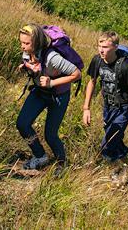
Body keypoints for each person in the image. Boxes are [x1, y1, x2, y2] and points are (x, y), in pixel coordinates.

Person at [82, 31, 128, 185]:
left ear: (116, 47)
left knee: (107, 145)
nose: (101, 50)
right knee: (114, 140)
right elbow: (92, 82)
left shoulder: (125, 66)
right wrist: (86, 108)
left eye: (105, 47)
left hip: (124, 107)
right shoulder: (97, 60)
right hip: (108, 106)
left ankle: (123, 172)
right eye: (99, 46)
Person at [16, 24, 81, 172]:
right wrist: (26, 67)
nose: (23, 47)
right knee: (22, 124)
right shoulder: (28, 53)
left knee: (50, 135)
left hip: (58, 96)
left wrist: (52, 82)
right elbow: (36, 67)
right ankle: (40, 156)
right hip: (40, 92)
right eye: (21, 42)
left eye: (27, 43)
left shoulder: (53, 57)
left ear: (37, 42)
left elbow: (77, 74)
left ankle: (61, 165)